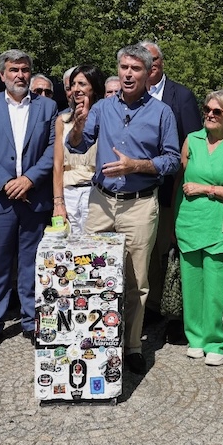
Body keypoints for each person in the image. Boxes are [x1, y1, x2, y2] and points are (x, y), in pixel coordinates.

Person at [67, 44, 181, 375]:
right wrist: (77, 124)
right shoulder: (102, 108)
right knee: (91, 275)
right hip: (101, 202)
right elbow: (79, 143)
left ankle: (131, 345)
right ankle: (92, 338)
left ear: (148, 74)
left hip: (140, 205)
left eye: (135, 69)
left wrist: (138, 165)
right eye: (124, 68)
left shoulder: (162, 113)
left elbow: (172, 160)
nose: (128, 74)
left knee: (136, 281)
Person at [0, 49, 57, 353]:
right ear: (2, 75)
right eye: (14, 70)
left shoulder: (48, 107)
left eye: (24, 69)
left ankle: (31, 321)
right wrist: (6, 182)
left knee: (31, 264)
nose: (20, 75)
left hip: (33, 197)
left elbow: (52, 150)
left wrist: (30, 179)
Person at [174, 89, 223, 366]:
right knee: (192, 287)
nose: (210, 115)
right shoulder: (192, 139)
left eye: (217, 112)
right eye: (207, 109)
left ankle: (216, 341)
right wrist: (174, 221)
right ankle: (195, 338)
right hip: (189, 222)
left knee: (217, 287)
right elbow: (181, 180)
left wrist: (207, 189)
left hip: (220, 225)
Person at [140, 40, 201, 343]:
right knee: (149, 253)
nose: (149, 66)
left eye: (154, 60)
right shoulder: (132, 96)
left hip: (172, 189)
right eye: (143, 60)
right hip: (140, 190)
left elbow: (192, 146)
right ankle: (152, 307)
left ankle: (178, 313)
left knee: (172, 252)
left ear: (162, 63)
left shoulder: (182, 96)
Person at [52, 64, 104, 235]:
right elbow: (58, 165)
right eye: (73, 84)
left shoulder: (105, 117)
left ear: (94, 87)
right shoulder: (62, 120)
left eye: (82, 84)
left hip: (95, 191)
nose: (76, 89)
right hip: (69, 192)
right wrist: (58, 202)